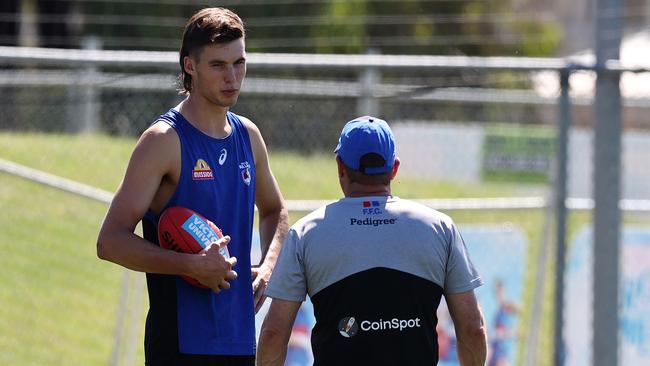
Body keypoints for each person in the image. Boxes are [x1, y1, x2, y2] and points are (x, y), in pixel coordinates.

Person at [96, 7, 288, 366]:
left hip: (239, 341)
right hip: (179, 348)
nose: (232, 77)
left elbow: (275, 210)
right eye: (218, 65)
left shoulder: (249, 135)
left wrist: (266, 267)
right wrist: (190, 265)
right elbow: (109, 241)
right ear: (190, 66)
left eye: (239, 63)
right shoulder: (162, 141)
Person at [257, 116, 487, 366]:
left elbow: (273, 333)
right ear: (394, 169)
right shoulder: (440, 228)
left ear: (340, 168)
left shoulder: (306, 233)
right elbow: (472, 328)